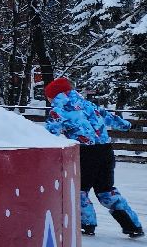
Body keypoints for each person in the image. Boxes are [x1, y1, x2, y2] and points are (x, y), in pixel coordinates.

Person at [43, 76, 143, 238]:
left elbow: (51, 132)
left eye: (47, 96)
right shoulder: (89, 105)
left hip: (85, 153)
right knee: (106, 190)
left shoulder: (59, 109)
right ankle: (132, 225)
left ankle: (87, 224)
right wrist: (127, 125)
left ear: (53, 95)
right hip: (105, 151)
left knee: (80, 189)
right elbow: (109, 117)